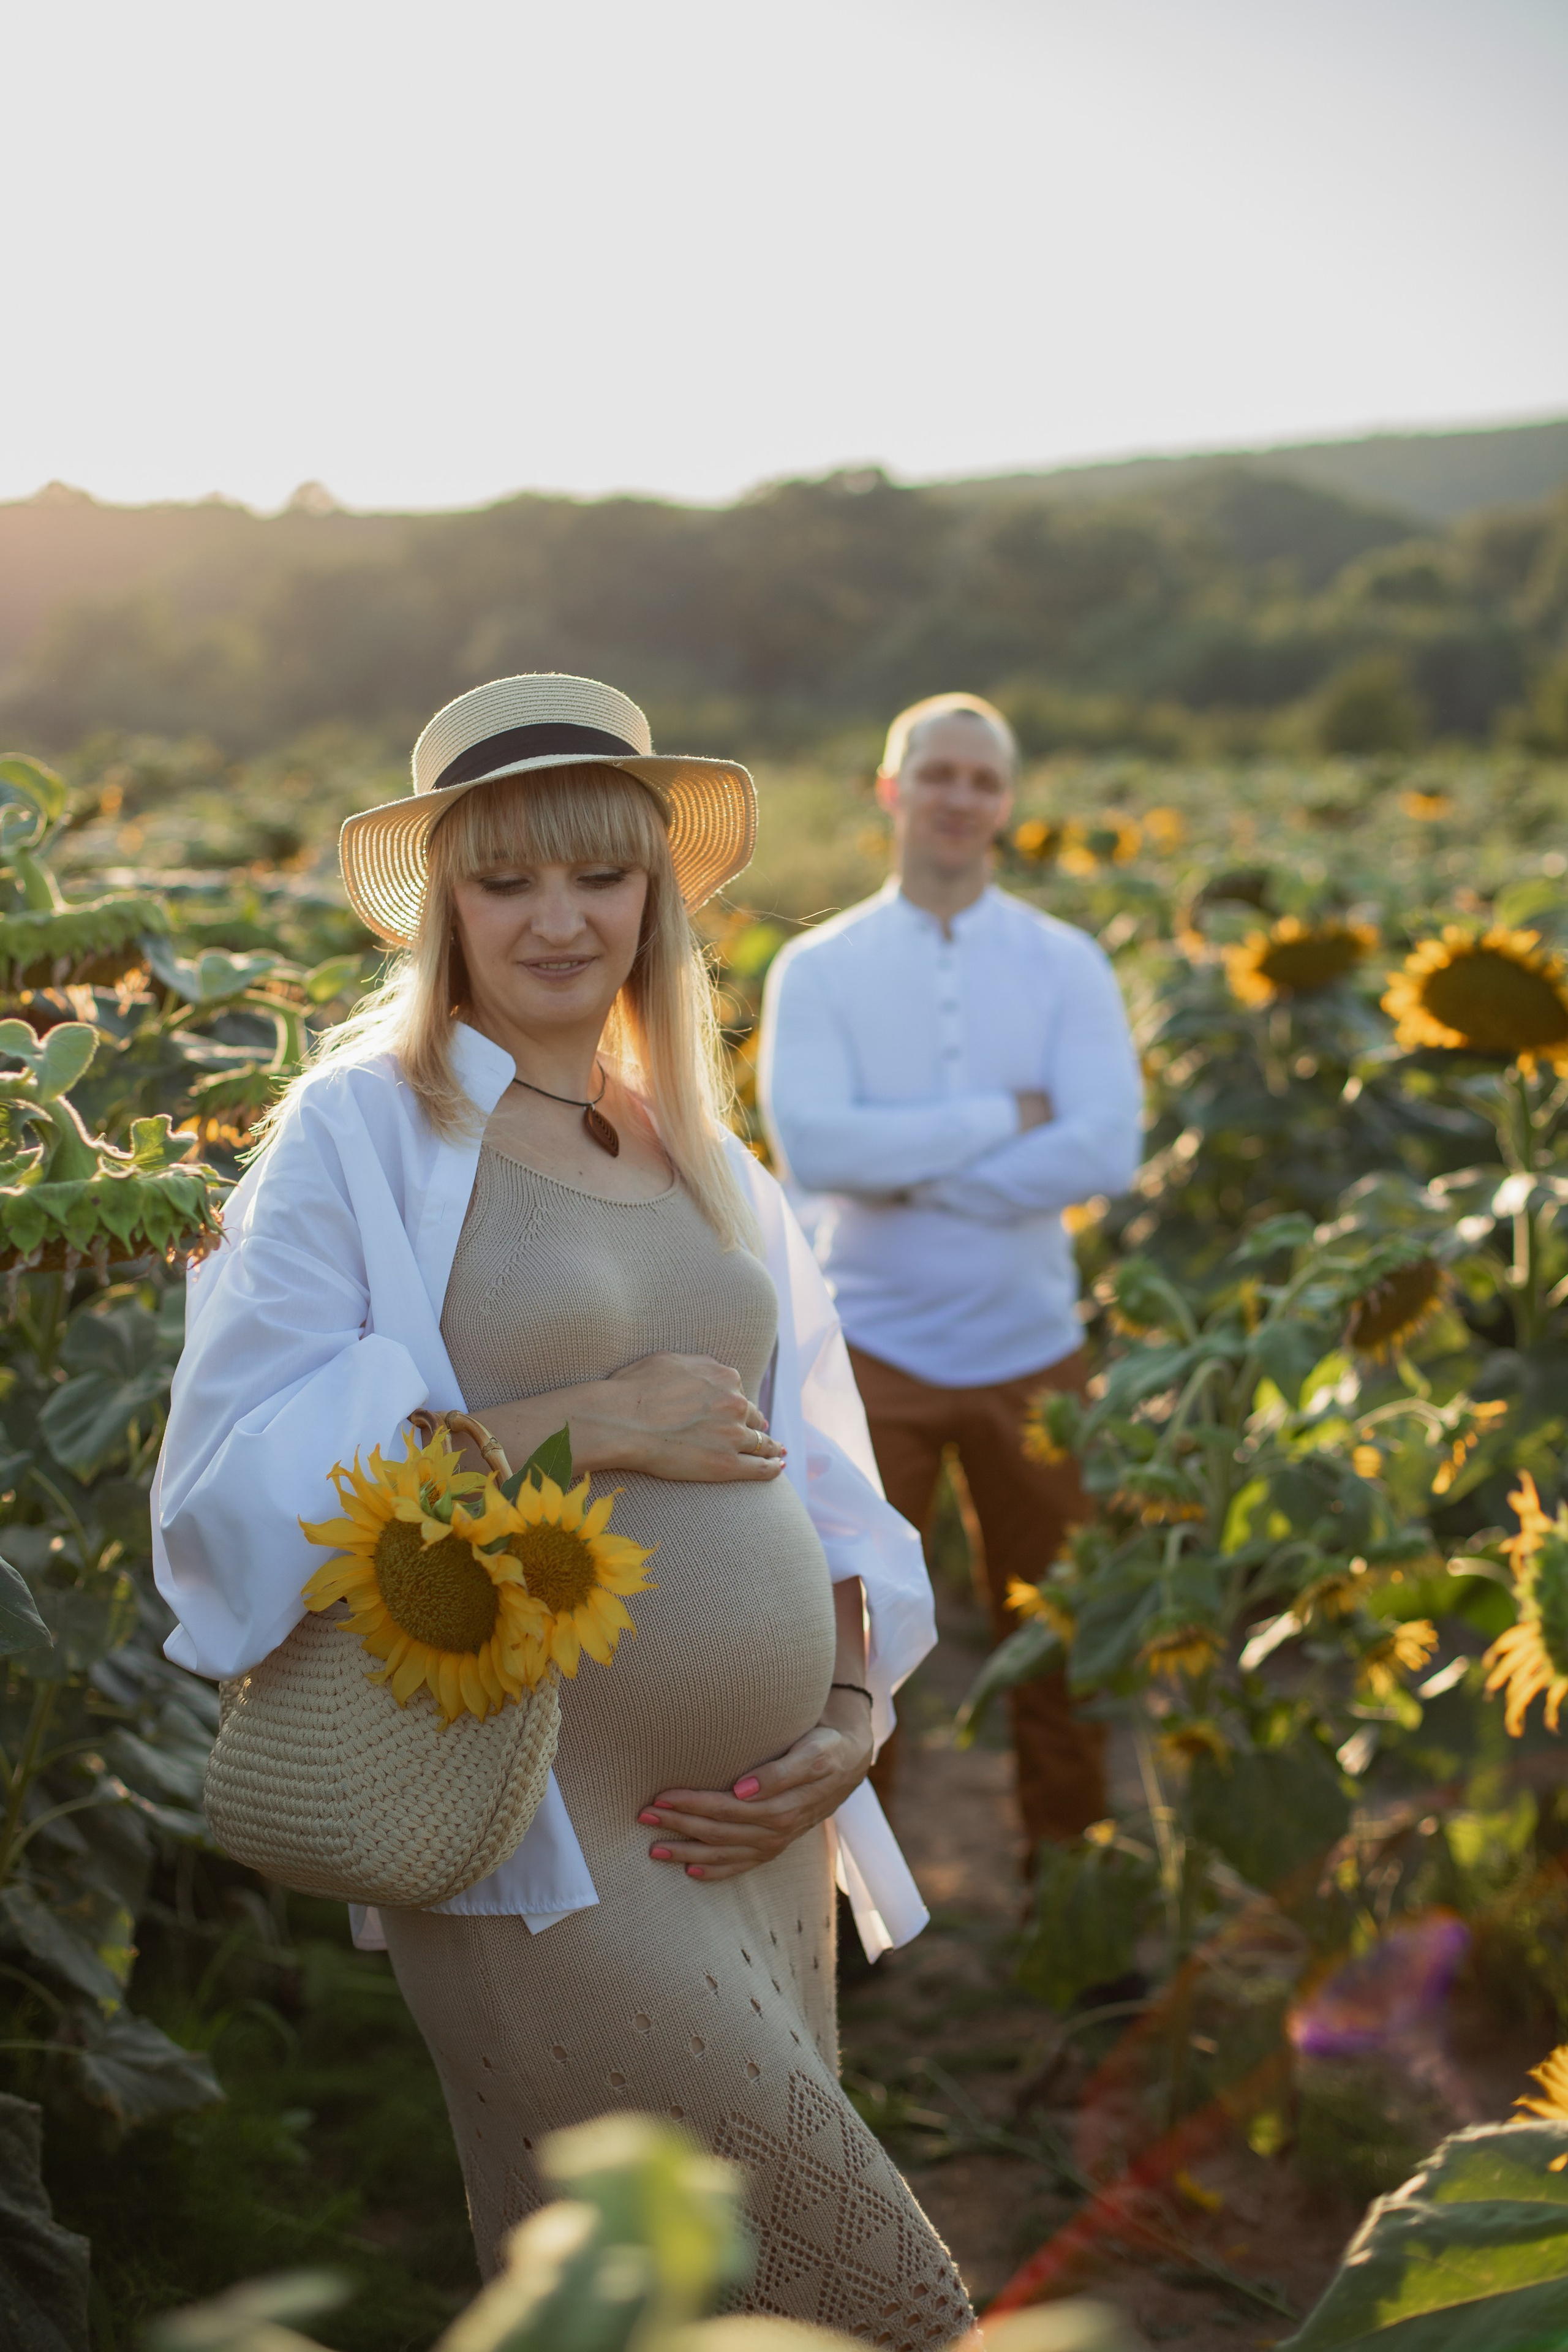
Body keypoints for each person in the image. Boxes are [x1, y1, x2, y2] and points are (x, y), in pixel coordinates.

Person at [153, 674, 973, 2345]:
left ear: (657, 893)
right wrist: (567, 1423)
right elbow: (227, 1477)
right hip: (541, 1827)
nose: (560, 919)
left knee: (664, 2312)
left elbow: (818, 1461)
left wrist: (848, 1704)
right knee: (878, 2303)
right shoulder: (359, 1133)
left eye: (601, 874)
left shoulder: (703, 1147)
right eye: (506, 878)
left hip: (757, 1829)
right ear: (443, 905)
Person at [758, 692, 1142, 1857]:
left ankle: (1073, 1890)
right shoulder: (820, 967)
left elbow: (1106, 1150)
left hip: (1032, 1346)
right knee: (860, 1652)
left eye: (983, 780)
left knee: (1065, 1636)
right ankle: (854, 1919)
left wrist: (909, 1165)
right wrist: (1003, 1124)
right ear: (893, 791)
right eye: (940, 775)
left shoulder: (1064, 963)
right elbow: (819, 1150)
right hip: (867, 1351)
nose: (960, 798)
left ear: (1007, 805)